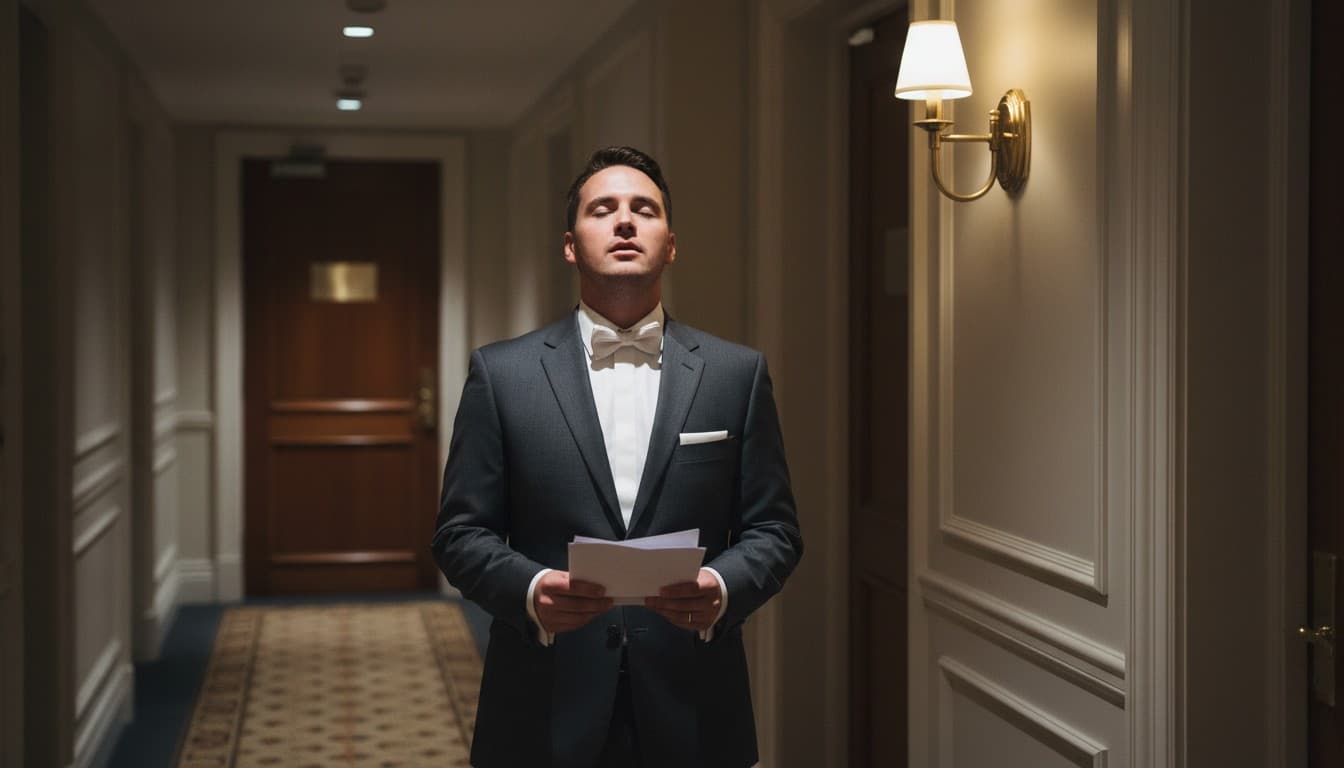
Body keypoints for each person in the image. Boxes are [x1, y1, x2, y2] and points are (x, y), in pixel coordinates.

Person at [431, 146, 803, 768]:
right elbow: (458, 534)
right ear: (571, 245)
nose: (625, 222)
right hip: (543, 698)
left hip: (695, 701)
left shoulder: (736, 374)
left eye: (644, 209)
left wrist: (719, 585)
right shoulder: (501, 374)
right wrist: (529, 589)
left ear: (671, 243)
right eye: (602, 209)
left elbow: (777, 529)